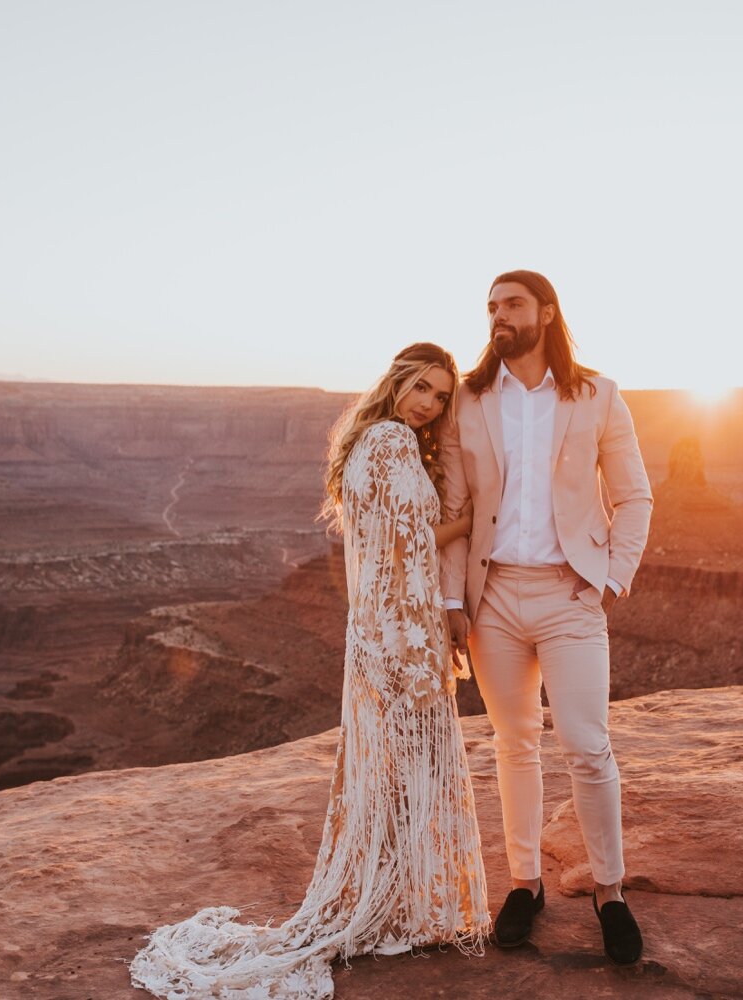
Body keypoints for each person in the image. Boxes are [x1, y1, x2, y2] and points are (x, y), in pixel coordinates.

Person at [130, 342, 489, 1000]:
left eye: (440, 397)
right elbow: (404, 542)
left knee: (387, 771)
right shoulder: (390, 442)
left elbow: (382, 541)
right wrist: (468, 519)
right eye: (422, 388)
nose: (428, 404)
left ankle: (388, 903)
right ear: (398, 379)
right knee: (412, 771)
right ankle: (396, 908)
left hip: (376, 629)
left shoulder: (367, 440)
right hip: (399, 632)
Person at [437, 270, 653, 965]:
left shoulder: (597, 395)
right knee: (514, 744)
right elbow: (453, 512)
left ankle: (610, 892)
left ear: (546, 312)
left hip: (569, 596)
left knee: (588, 746)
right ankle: (524, 884)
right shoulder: (468, 402)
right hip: (492, 598)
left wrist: (612, 578)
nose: (499, 315)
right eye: (492, 306)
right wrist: (450, 600)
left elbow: (634, 497)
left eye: (512, 304)